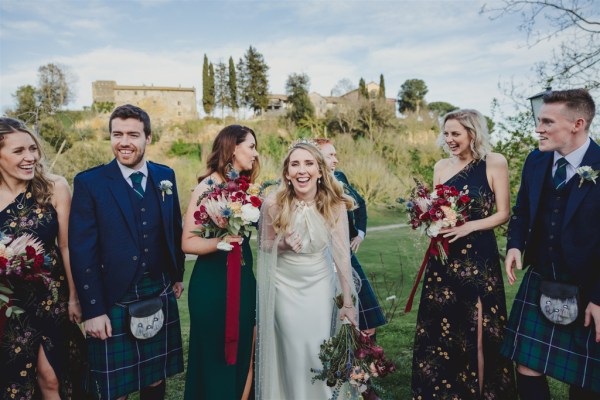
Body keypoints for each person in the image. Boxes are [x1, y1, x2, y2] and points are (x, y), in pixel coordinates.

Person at [69, 104, 185, 400]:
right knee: (115, 389)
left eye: (133, 134)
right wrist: (93, 310)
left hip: (158, 288)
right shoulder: (89, 182)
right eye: (117, 134)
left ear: (148, 137)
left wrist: (177, 274)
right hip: (113, 298)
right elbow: (83, 252)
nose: (124, 142)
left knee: (155, 379)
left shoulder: (164, 175)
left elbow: (173, 229)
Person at [501, 89, 600, 399]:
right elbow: (522, 211)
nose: (537, 129)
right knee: (527, 365)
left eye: (546, 121)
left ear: (577, 123)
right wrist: (515, 244)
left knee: (586, 378)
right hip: (541, 275)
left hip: (589, 283)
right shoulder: (536, 160)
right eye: (538, 120)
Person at [411, 109, 516, 399]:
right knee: (445, 330)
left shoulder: (494, 162)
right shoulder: (441, 166)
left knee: (478, 331)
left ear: (473, 133)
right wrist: (428, 219)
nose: (449, 140)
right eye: (446, 134)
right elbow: (437, 210)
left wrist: (468, 226)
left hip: (478, 259)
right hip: (444, 259)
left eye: (455, 133)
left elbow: (504, 213)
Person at [256, 140, 358, 399]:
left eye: (309, 163)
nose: (302, 170)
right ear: (287, 173)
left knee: (317, 350)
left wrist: (347, 301)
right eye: (295, 164)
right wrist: (284, 244)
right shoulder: (273, 203)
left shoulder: (334, 205)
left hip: (319, 285)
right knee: (292, 350)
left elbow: (342, 255)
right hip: (284, 287)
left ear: (320, 170)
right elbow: (264, 245)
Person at [0, 117, 87, 399]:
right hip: (7, 305)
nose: (30, 158)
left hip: (51, 300)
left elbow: (66, 246)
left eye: (33, 148)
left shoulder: (55, 187)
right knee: (16, 384)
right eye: (19, 151)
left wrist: (74, 296)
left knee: (52, 378)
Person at [182, 125, 259, 400]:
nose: (255, 153)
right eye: (251, 146)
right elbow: (188, 243)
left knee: (245, 353)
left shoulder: (242, 186)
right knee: (217, 358)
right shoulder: (208, 186)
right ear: (233, 147)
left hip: (243, 281)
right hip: (214, 286)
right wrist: (219, 243)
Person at [315, 138, 386, 336]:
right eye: (330, 155)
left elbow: (360, 203)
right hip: (321, 257)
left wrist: (360, 233)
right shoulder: (305, 186)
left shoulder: (339, 177)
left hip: (345, 251)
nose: (335, 160)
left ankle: (365, 361)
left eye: (335, 155)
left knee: (366, 319)